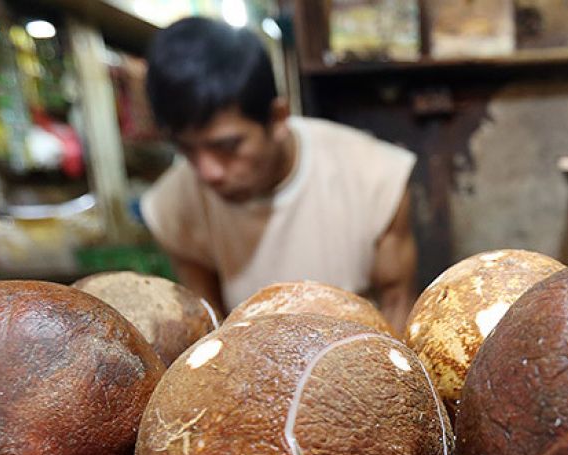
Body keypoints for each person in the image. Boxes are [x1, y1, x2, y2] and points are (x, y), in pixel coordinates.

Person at [140, 17, 417, 332]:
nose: (208, 172)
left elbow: (398, 304)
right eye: (187, 149)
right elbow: (208, 327)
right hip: (252, 364)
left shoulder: (375, 176)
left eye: (227, 146)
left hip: (362, 354)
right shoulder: (173, 205)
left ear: (278, 117)